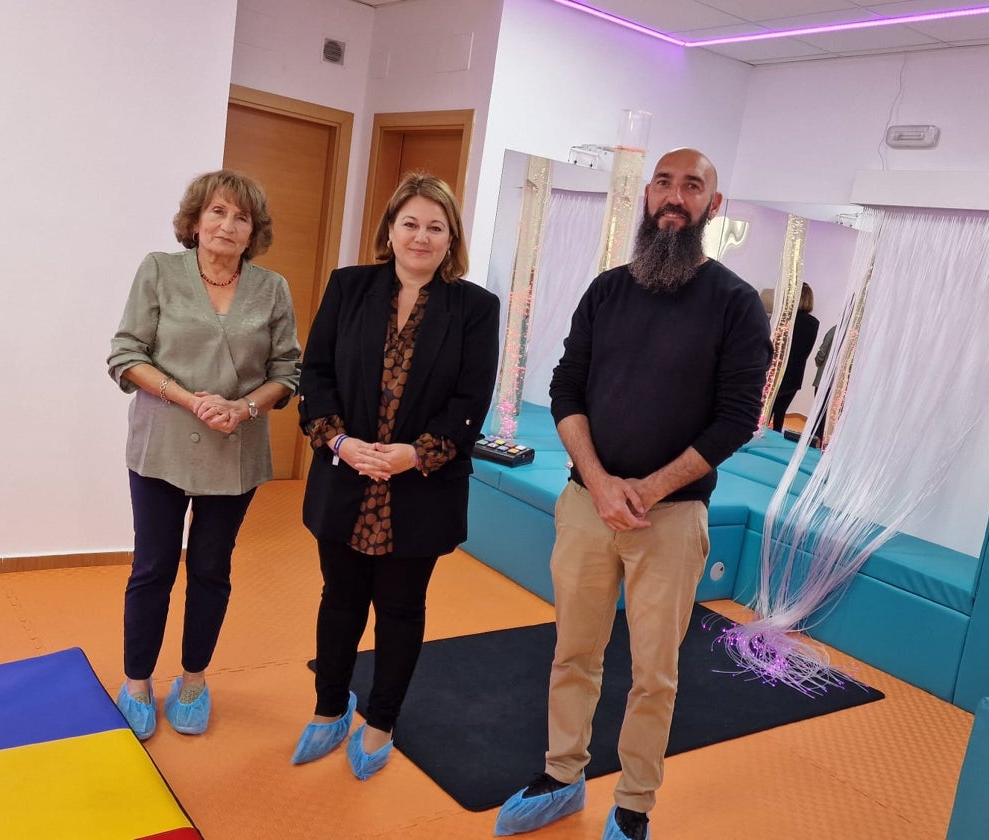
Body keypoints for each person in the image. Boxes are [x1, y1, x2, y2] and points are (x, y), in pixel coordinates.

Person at [493, 149, 772, 839]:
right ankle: (562, 775)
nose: (676, 197)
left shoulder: (735, 304)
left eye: (693, 186)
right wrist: (597, 479)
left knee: (655, 672)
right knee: (572, 652)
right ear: (647, 196)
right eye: (665, 184)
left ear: (715, 204)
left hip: (671, 520)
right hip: (587, 506)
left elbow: (737, 417)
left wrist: (646, 489)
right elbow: (566, 387)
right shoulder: (607, 290)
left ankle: (634, 805)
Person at [290, 172, 500, 780]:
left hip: (420, 485)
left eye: (436, 227)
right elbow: (318, 371)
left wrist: (416, 452)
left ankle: (381, 719)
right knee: (340, 599)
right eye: (410, 223)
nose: (421, 236)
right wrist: (341, 440)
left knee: (402, 610)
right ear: (390, 228)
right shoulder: (349, 287)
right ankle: (330, 709)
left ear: (450, 238)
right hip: (346, 475)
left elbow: (470, 399)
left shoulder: (474, 307)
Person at [106, 170, 301, 740]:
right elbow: (125, 355)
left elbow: (286, 371)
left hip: (234, 446)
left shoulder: (273, 289)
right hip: (161, 441)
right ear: (195, 221)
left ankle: (193, 679)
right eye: (217, 212)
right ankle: (137, 680)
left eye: (241, 217)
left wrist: (241, 409)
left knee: (212, 569)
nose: (227, 224)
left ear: (253, 232)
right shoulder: (159, 270)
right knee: (153, 567)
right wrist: (191, 400)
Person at [769, 282, 820, 432]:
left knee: (766, 410)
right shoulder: (814, 323)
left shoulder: (784, 319)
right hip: (796, 373)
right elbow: (807, 350)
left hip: (777, 369)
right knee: (780, 412)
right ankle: (775, 438)